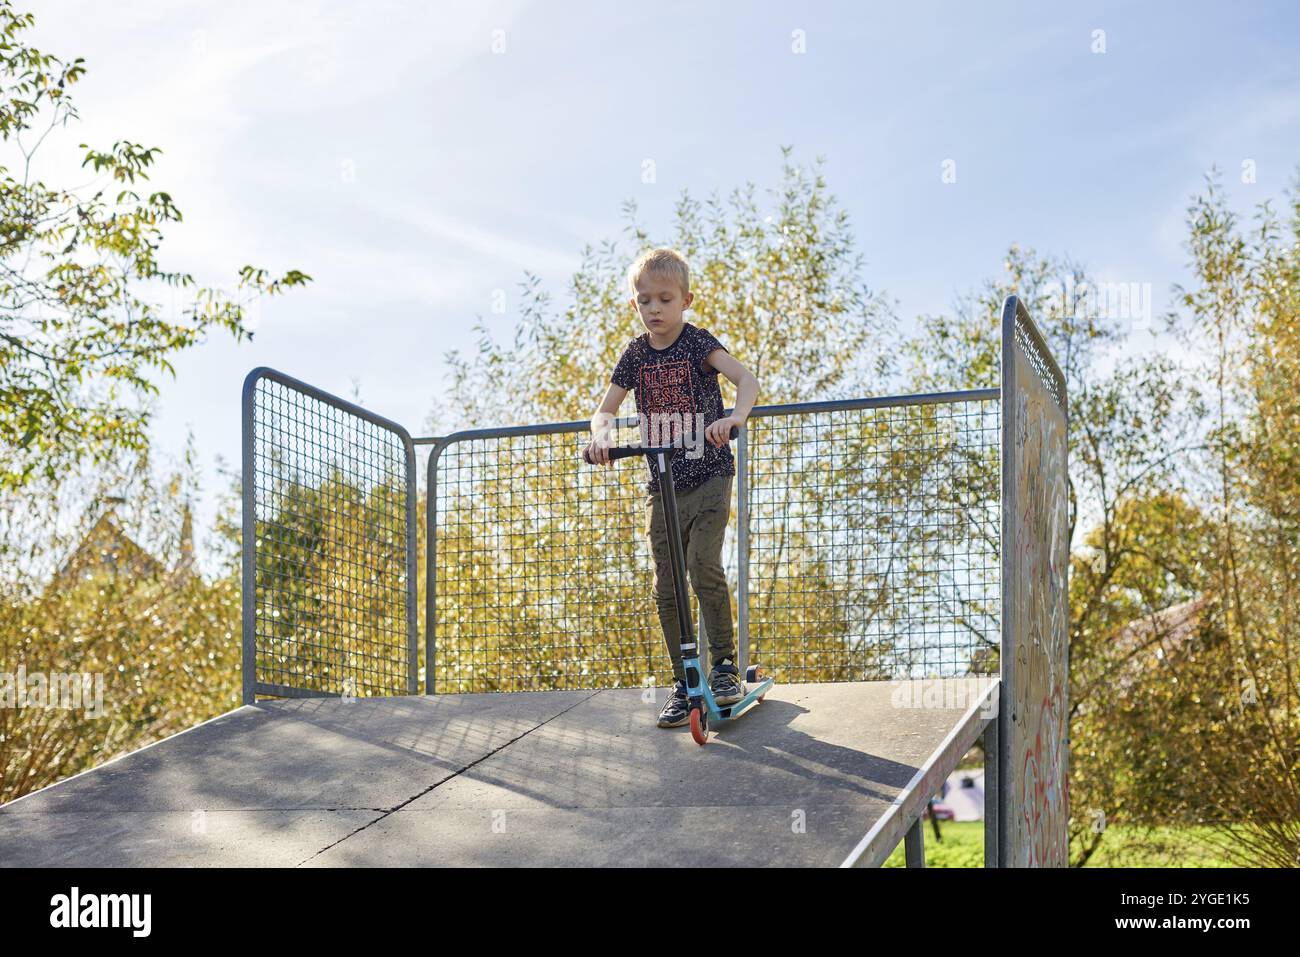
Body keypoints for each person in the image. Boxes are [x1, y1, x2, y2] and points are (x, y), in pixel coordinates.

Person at [583, 247, 760, 728]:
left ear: (685, 300)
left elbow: (745, 379)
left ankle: (722, 666)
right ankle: (686, 680)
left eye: (665, 298)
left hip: (708, 473)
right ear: (635, 306)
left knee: (703, 565)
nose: (655, 309)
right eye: (645, 301)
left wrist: (734, 417)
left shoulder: (699, 343)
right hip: (661, 487)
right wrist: (602, 436)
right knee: (667, 586)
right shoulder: (636, 354)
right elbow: (606, 409)